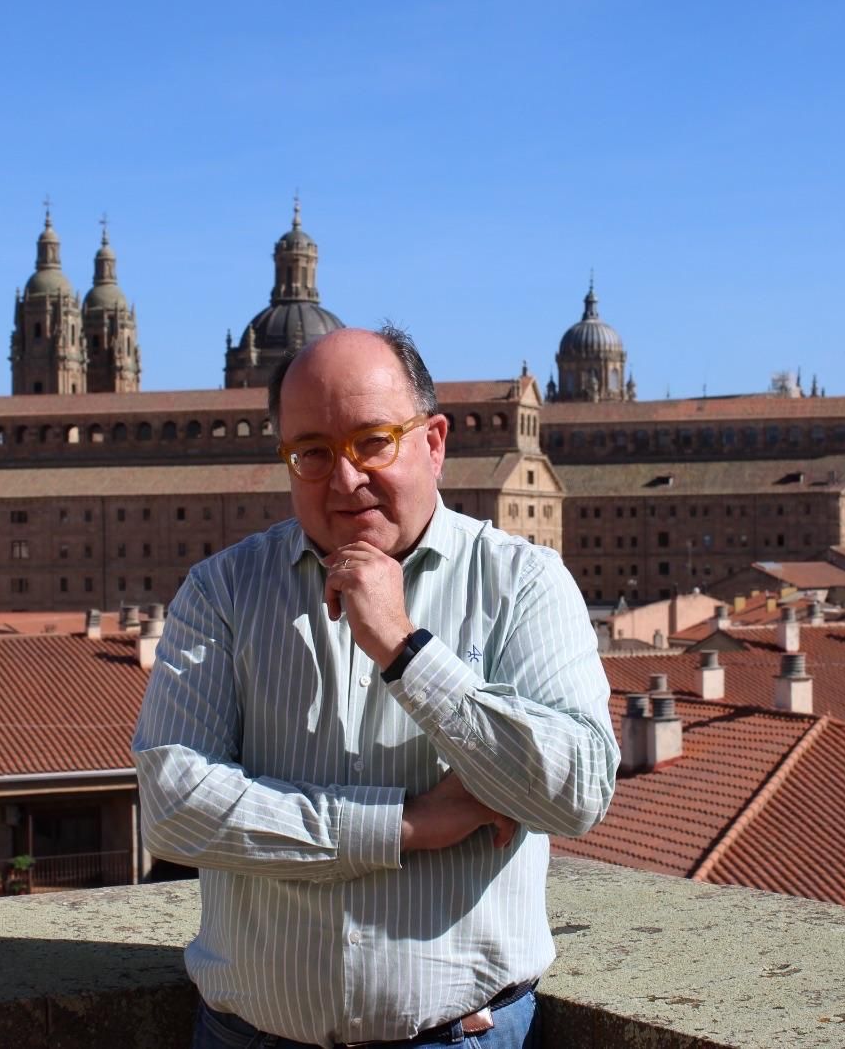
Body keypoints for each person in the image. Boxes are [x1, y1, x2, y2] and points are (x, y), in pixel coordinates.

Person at [132, 326, 618, 1048]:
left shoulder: (523, 584)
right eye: (313, 453)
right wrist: (405, 825)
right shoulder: (223, 591)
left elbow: (576, 792)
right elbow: (172, 807)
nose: (345, 479)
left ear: (436, 441)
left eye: (373, 441)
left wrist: (405, 649)